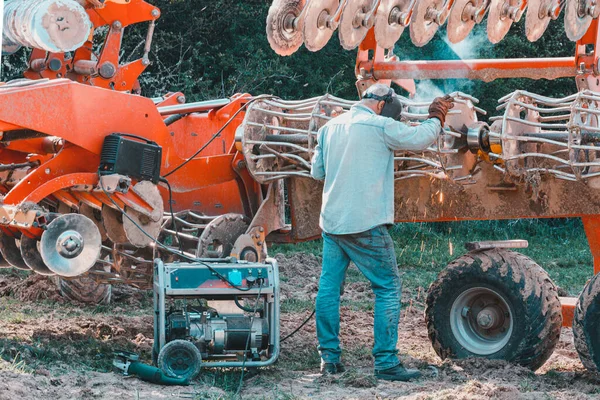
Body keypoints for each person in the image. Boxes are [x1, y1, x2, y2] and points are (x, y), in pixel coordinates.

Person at [310, 84, 453, 381]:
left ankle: (329, 360)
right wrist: (437, 115)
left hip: (333, 224)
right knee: (387, 287)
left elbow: (317, 173)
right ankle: (386, 362)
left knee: (329, 290)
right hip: (366, 224)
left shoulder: (331, 127)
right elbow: (422, 138)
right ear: (381, 105)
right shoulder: (379, 126)